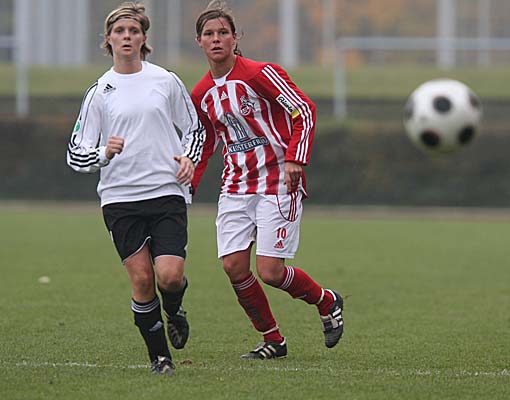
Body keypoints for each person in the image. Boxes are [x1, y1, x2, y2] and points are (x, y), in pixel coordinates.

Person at [190, 0, 344, 359]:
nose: (216, 39)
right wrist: (189, 183)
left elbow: (303, 109)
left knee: (271, 272)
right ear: (199, 41)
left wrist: (295, 159)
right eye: (209, 34)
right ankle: (273, 340)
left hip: (277, 182)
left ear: (235, 37)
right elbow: (206, 141)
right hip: (235, 186)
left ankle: (326, 301)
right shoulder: (200, 94)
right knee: (233, 267)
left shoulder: (260, 73)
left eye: (223, 32)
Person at [66, 2, 203, 375]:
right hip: (121, 198)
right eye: (119, 31)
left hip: (166, 191)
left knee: (169, 276)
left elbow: (195, 129)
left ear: (144, 39)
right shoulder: (100, 91)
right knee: (142, 279)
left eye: (133, 31)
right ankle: (160, 358)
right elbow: (75, 153)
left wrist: (189, 158)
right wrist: (103, 152)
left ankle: (174, 309)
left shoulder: (165, 80)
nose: (126, 37)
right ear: (108, 40)